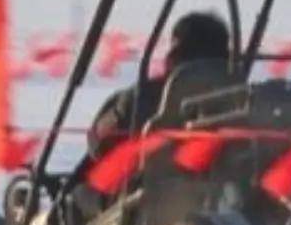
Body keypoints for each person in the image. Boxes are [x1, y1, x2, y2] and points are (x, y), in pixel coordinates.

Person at [87, 9, 231, 156]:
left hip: (145, 176)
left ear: (174, 54)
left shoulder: (139, 99)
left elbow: (98, 146)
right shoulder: (240, 101)